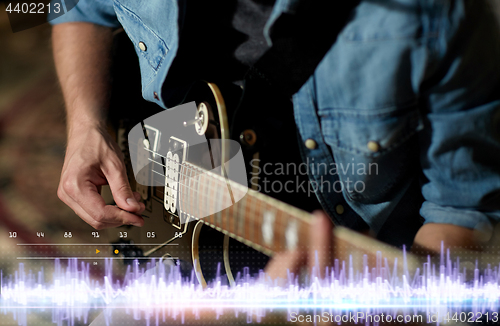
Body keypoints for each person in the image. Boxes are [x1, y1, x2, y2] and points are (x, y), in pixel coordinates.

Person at [50, 0, 500, 279]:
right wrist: (85, 123)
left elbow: (462, 209)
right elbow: (78, 9)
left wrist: (390, 298)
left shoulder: (435, 14)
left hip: (348, 261)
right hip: (188, 239)